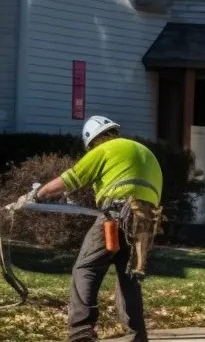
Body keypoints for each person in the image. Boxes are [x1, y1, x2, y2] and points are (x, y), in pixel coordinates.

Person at [28, 116, 163, 342]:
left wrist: (37, 194)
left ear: (93, 141)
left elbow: (68, 179)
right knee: (128, 277)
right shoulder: (145, 152)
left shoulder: (104, 150)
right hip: (144, 224)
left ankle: (80, 333)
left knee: (86, 268)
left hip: (117, 215)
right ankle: (137, 336)